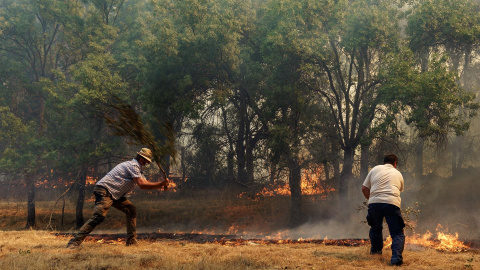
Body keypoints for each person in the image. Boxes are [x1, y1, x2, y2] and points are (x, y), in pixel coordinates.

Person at [66, 148, 168, 249]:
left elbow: (146, 184)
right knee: (99, 216)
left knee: (131, 209)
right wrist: (161, 184)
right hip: (105, 190)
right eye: (146, 163)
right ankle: (73, 243)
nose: (146, 165)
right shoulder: (133, 165)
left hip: (115, 194)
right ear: (141, 160)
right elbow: (142, 185)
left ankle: (131, 242)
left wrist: (161, 185)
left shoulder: (138, 170)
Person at [362, 153, 405, 266]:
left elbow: (364, 188)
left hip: (375, 203)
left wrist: (372, 200)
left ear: (384, 161)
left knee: (375, 228)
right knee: (397, 233)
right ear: (395, 163)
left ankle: (376, 254)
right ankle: (396, 259)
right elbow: (399, 190)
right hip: (391, 203)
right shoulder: (398, 173)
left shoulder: (375, 169)